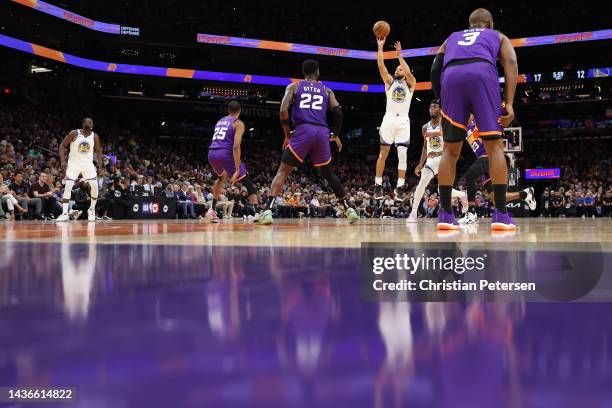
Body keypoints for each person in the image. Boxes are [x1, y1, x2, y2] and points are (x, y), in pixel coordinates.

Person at [430, 8, 518, 231]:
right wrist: (509, 103)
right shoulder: (497, 35)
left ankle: (445, 215)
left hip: (450, 78)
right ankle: (500, 214)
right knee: (494, 147)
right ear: (489, 24)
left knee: (450, 150)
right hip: (482, 73)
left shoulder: (452, 37)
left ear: (470, 25)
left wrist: (441, 98)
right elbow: (511, 63)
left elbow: (434, 69)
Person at [258, 59, 358, 225]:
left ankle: (267, 211)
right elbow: (338, 112)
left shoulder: (294, 86)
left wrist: (287, 134)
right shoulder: (326, 90)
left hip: (303, 130)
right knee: (328, 173)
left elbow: (283, 110)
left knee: (283, 171)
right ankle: (349, 208)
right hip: (322, 132)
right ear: (317, 71)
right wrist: (336, 134)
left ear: (303, 72)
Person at [460, 117, 536, 224]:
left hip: (489, 155)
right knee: (494, 197)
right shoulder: (464, 127)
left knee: (469, 176)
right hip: (483, 159)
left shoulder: (478, 118)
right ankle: (524, 194)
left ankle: (472, 213)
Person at [407, 100, 467, 223]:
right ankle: (413, 213)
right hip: (430, 161)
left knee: (441, 190)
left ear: (440, 110)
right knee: (422, 184)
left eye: (434, 106)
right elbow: (425, 146)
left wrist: (440, 153)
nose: (431, 108)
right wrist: (420, 164)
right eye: (430, 106)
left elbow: (450, 144)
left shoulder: (445, 124)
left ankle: (462, 195)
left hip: (444, 159)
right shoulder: (425, 127)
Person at [374, 39, 416, 200]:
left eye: (400, 69)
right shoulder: (390, 82)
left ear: (405, 72)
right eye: (397, 69)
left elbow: (409, 73)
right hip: (389, 119)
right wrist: (380, 47)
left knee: (403, 154)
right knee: (383, 153)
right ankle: (377, 184)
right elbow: (381, 66)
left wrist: (400, 56)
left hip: (403, 121)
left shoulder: (411, 84)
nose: (398, 70)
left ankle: (400, 187)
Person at [207, 100, 259, 223]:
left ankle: (212, 210)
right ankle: (257, 213)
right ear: (240, 111)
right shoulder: (238, 123)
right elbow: (236, 146)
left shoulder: (220, 121)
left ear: (228, 110)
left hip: (212, 152)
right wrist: (236, 169)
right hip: (225, 153)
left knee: (221, 178)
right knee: (247, 182)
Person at [56, 118, 104, 222]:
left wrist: (101, 168)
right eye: (88, 122)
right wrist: (63, 161)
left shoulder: (94, 136)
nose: (90, 123)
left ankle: (91, 209)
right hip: (74, 164)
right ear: (83, 124)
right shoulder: (74, 133)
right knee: (68, 186)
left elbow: (99, 153)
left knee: (95, 187)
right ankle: (64, 213)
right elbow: (62, 145)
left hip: (88, 165)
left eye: (91, 122)